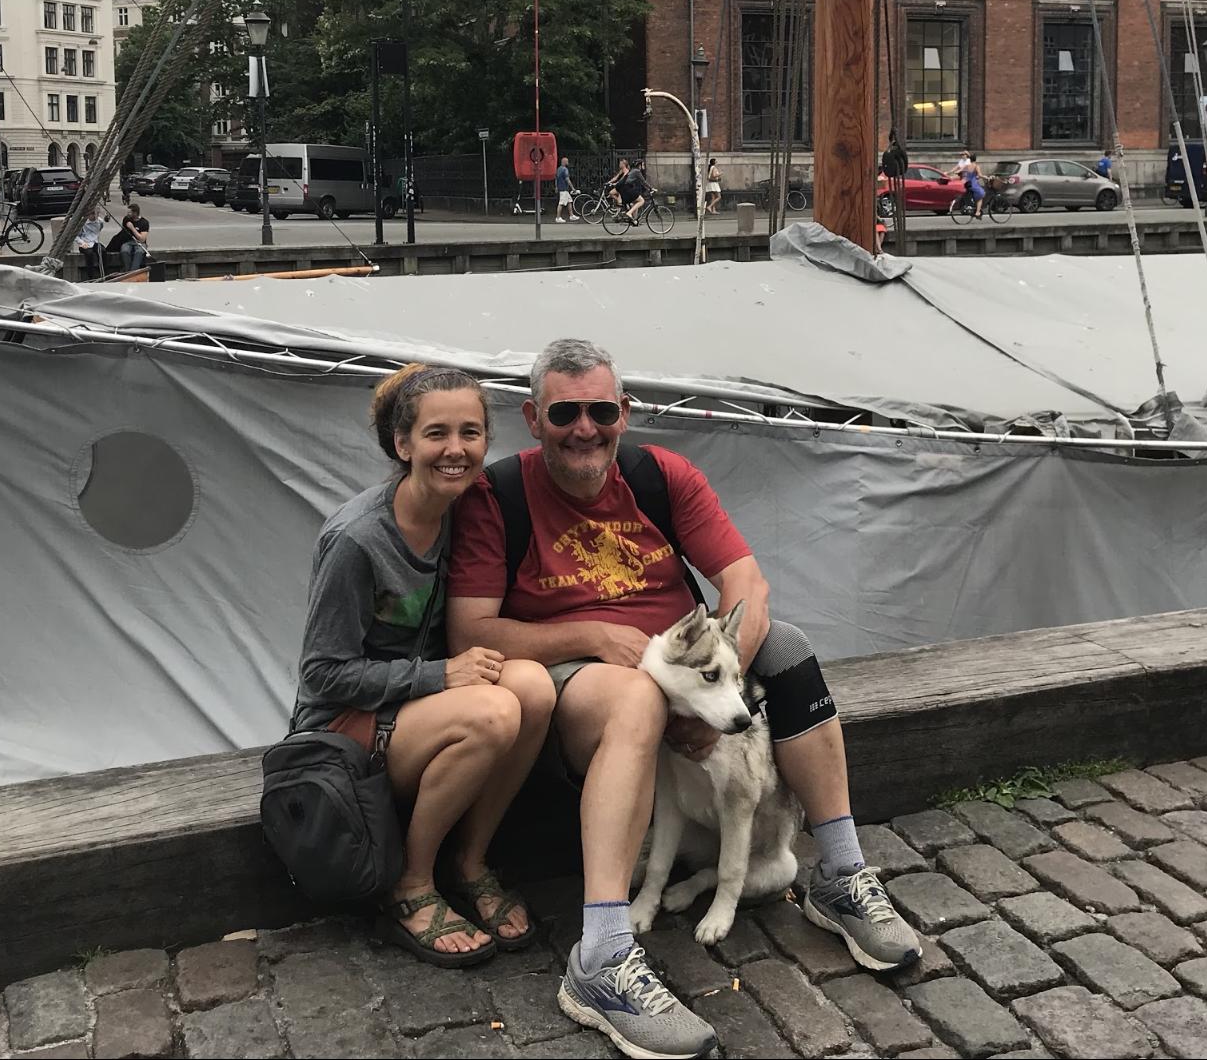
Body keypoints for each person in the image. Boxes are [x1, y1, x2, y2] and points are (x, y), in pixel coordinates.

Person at [448, 339, 922, 1058]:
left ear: (625, 414)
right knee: (637, 701)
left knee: (787, 645)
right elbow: (471, 629)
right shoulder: (499, 496)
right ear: (533, 419)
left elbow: (746, 586)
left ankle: (842, 872)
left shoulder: (661, 476)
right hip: (579, 681)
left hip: (689, 670)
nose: (585, 428)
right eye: (565, 412)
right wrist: (588, 634)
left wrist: (715, 695)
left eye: (600, 411)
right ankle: (601, 957)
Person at [295, 364, 553, 966]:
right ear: (402, 443)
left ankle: (470, 861)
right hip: (345, 728)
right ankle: (410, 884)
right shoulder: (359, 541)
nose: (456, 450)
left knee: (534, 690)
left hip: (420, 709)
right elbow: (323, 674)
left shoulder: (464, 514)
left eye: (471, 432)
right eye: (437, 434)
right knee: (492, 713)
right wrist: (441, 675)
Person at [75, 204, 107, 279]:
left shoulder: (100, 222)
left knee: (103, 251)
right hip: (84, 242)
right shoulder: (83, 223)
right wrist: (82, 243)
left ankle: (103, 273)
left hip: (95, 242)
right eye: (92, 214)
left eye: (96, 214)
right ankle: (91, 276)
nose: (94, 216)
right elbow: (76, 236)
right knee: (89, 254)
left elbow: (100, 229)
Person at [555, 156, 576, 224]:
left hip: (561, 188)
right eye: (567, 161)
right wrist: (572, 188)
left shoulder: (558, 169)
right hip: (564, 188)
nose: (568, 162)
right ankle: (558, 217)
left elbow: (556, 179)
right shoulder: (565, 169)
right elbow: (567, 179)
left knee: (569, 201)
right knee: (561, 203)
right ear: (564, 162)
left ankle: (571, 215)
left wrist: (556, 187)